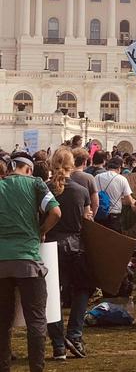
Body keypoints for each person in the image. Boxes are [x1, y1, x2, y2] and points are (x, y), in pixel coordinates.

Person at [0, 152, 61, 372]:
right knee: (36, 321)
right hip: (28, 260)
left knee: (2, 323)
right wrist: (41, 231)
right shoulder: (36, 184)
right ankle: (37, 368)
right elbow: (55, 212)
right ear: (29, 170)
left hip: (1, 261)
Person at [45, 148, 93, 360]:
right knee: (82, 289)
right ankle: (74, 334)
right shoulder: (81, 191)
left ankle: (58, 344)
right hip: (75, 245)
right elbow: (86, 221)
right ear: (71, 166)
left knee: (51, 296)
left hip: (50, 245)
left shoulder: (44, 189)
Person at [95, 155, 135, 232]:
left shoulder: (97, 177)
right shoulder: (122, 179)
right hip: (114, 216)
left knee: (99, 240)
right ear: (119, 168)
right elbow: (128, 201)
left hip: (99, 214)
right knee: (114, 241)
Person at [71, 148, 99, 216]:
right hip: (84, 215)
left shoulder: (67, 176)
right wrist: (92, 216)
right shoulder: (89, 178)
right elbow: (95, 203)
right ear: (84, 162)